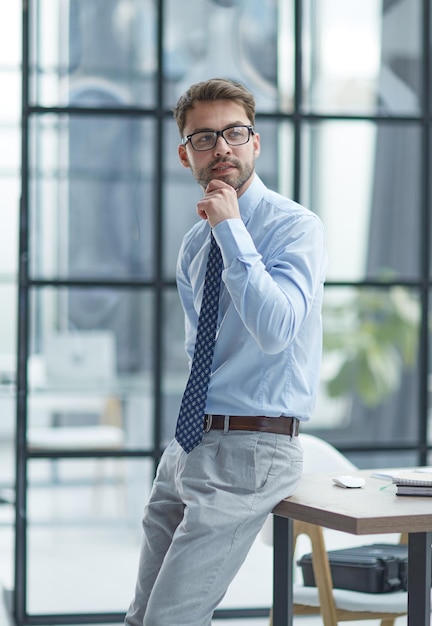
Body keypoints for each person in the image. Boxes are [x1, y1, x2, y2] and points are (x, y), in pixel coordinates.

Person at [124, 77, 326, 626]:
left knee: (171, 619)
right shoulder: (194, 243)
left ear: (255, 143)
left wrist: (233, 228)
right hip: (189, 443)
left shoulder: (293, 229)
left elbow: (277, 328)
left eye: (235, 133)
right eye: (205, 138)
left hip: (253, 450)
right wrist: (182, 446)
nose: (223, 149)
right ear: (185, 153)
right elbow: (202, 351)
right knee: (142, 617)